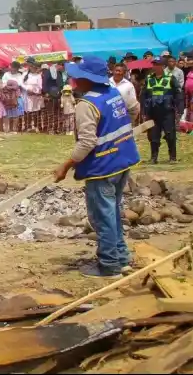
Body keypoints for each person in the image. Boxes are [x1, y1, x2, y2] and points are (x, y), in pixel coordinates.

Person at [55, 56, 140, 278]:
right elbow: (134, 109)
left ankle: (110, 265)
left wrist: (66, 166)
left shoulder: (87, 105)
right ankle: (121, 257)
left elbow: (87, 142)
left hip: (102, 167)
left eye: (77, 76)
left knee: (102, 217)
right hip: (122, 160)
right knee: (112, 213)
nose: (73, 80)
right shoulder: (113, 94)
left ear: (86, 79)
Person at [141, 58, 182, 163]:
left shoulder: (170, 78)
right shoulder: (149, 78)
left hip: (167, 112)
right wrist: (143, 112)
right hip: (153, 112)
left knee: (170, 135)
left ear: (163, 66)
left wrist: (180, 109)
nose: (156, 66)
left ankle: (172, 157)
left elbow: (178, 94)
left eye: (158, 64)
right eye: (154, 64)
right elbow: (143, 96)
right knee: (153, 136)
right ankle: (154, 157)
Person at [22, 60, 44, 132]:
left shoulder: (38, 76)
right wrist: (27, 89)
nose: (33, 68)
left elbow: (40, 86)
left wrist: (34, 92)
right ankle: (27, 126)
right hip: (26, 94)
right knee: (27, 111)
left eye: (34, 67)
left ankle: (37, 126)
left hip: (35, 95)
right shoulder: (25, 74)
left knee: (35, 111)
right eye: (31, 66)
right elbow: (21, 83)